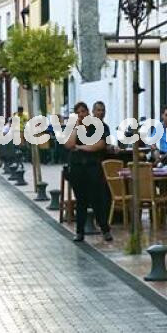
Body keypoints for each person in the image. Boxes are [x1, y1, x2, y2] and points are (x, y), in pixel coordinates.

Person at [64, 101, 112, 243]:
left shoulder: (99, 127)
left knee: (97, 200)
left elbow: (99, 145)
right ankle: (80, 232)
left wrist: (81, 148)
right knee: (81, 201)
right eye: (78, 113)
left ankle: (105, 230)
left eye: (83, 112)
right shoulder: (74, 127)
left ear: (88, 112)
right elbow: (69, 144)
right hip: (77, 168)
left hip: (93, 167)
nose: (81, 115)